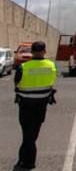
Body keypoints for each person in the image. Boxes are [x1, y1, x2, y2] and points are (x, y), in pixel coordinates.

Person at [13, 41, 57, 171]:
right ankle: (23, 159)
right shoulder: (51, 66)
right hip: (41, 106)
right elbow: (51, 82)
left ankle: (28, 162)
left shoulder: (23, 67)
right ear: (44, 51)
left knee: (28, 136)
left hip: (26, 106)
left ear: (31, 52)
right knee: (33, 134)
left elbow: (16, 84)